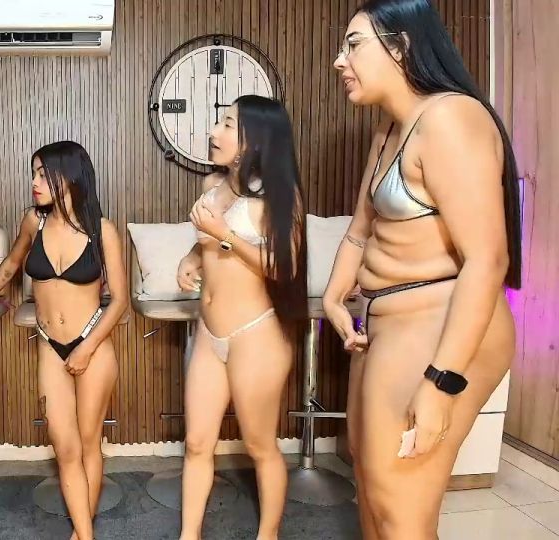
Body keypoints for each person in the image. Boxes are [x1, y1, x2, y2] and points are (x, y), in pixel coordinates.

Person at [323, 1, 521, 538]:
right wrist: (334, 298)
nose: (340, 61)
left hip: (437, 321)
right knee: (370, 484)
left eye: (353, 44)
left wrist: (441, 381)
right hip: (384, 323)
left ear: (401, 47)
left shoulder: (451, 118)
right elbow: (360, 230)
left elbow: (488, 259)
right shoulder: (388, 130)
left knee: (400, 511)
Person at [175, 95, 307, 540]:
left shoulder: (279, 195)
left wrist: (223, 234)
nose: (214, 132)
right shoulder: (213, 186)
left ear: (257, 138)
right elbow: (206, 244)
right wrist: (191, 257)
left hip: (256, 336)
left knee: (259, 445)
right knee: (197, 443)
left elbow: (284, 267)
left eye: (228, 124)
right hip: (209, 333)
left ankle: (267, 535)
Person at [0, 141, 128, 540]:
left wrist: (86, 348)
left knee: (88, 444)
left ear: (69, 176)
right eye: (32, 173)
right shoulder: (33, 222)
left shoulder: (103, 230)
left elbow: (120, 300)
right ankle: (85, 534)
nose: (34, 182)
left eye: (42, 174)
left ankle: (82, 535)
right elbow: (11, 266)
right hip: (50, 344)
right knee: (64, 447)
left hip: (92, 343)